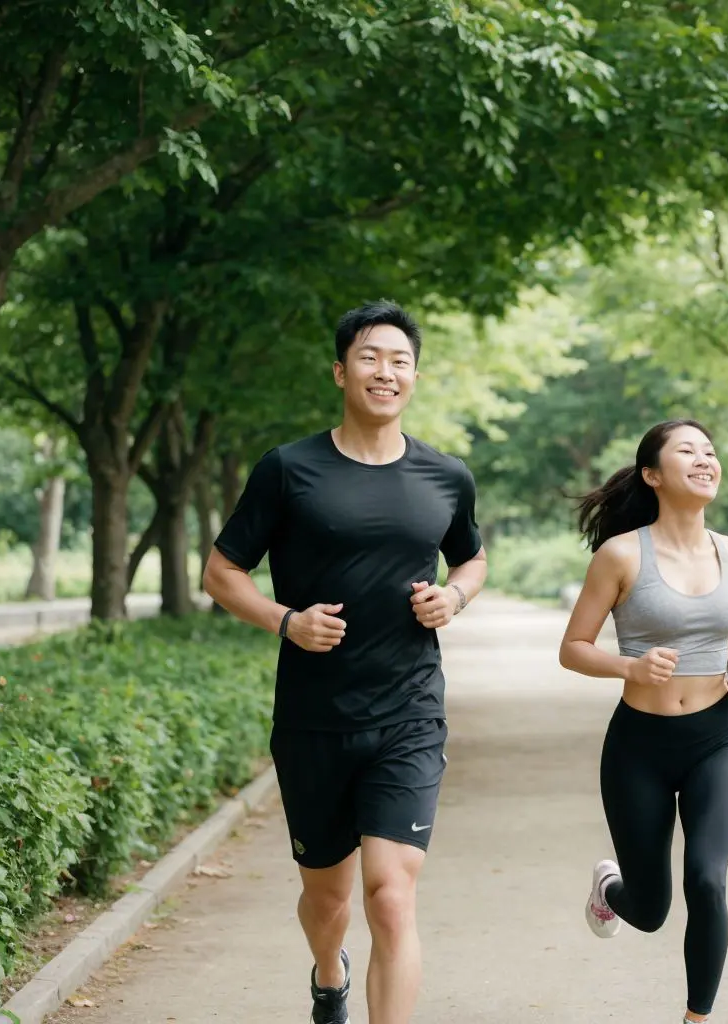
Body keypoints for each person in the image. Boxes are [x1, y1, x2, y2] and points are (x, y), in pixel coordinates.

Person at [203, 300, 487, 1024]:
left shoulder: (446, 476)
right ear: (340, 371)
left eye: (399, 361)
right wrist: (286, 621)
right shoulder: (288, 470)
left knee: (391, 894)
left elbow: (473, 557)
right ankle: (329, 973)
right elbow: (221, 572)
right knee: (327, 901)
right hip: (315, 719)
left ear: (414, 377)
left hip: (409, 713)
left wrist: (454, 597)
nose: (384, 371)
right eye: (369, 357)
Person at [558, 419, 728, 1024]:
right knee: (649, 909)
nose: (704, 459)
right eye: (687, 451)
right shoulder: (620, 555)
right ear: (652, 475)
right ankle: (611, 888)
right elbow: (573, 647)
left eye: (710, 451)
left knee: (708, 879)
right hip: (638, 746)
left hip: (716, 740)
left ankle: (697, 1018)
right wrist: (631, 666)